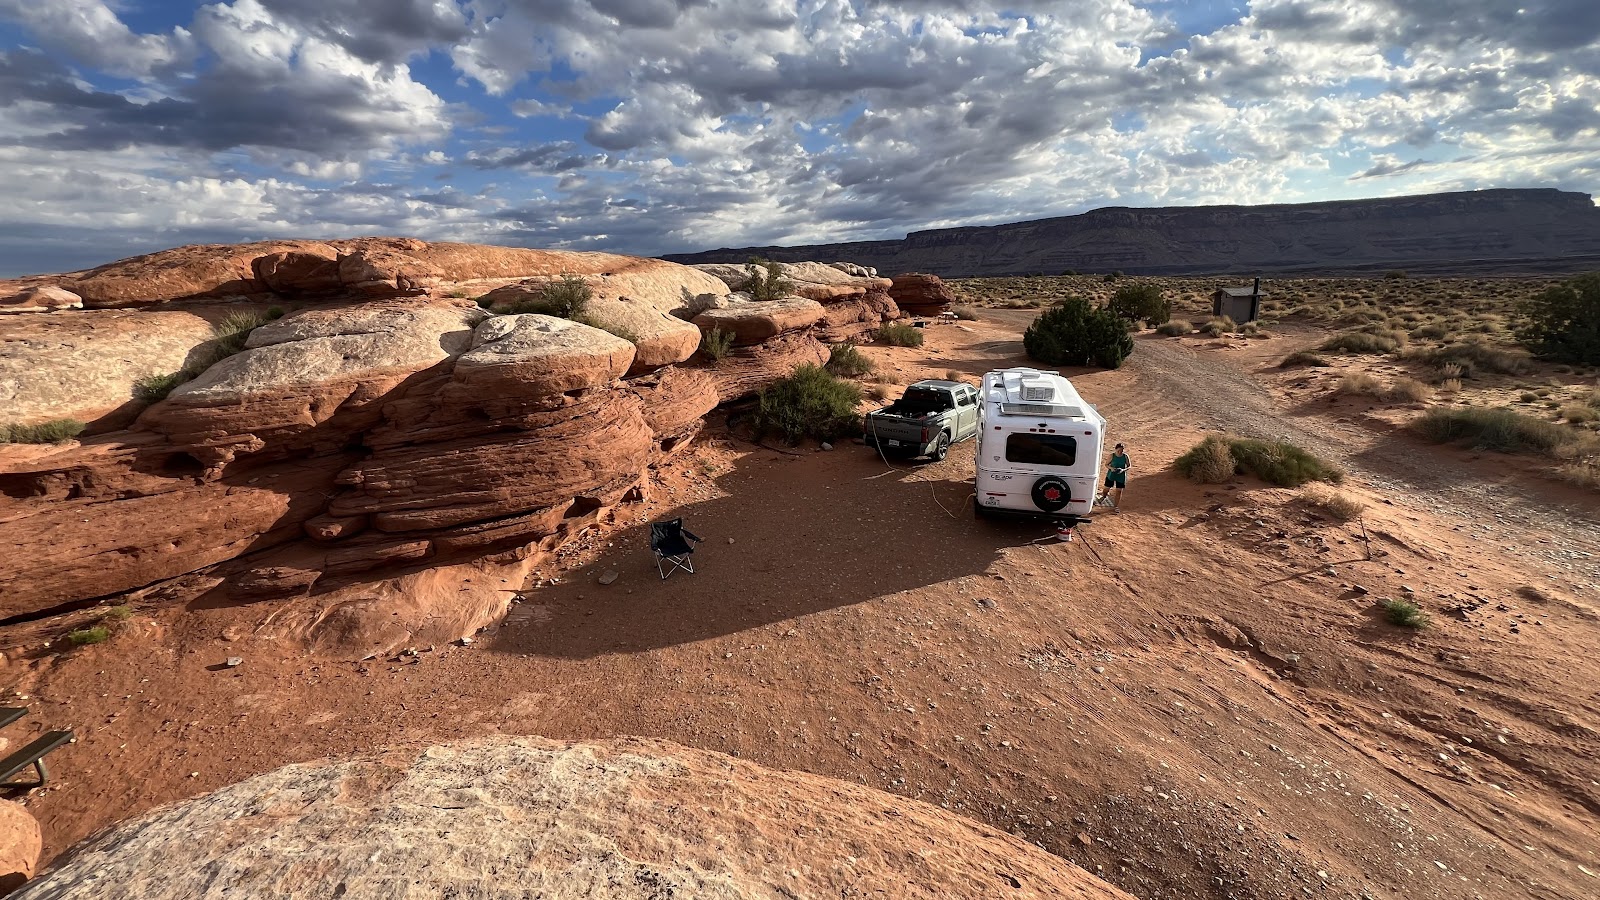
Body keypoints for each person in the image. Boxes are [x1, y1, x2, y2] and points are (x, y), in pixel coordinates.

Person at [1097, 443, 1130, 511]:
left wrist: (1123, 470)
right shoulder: (1112, 456)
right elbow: (1106, 464)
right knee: (1106, 489)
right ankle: (1104, 496)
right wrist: (1111, 468)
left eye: (1121, 450)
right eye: (1118, 450)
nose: (1120, 452)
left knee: (1119, 491)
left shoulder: (1125, 456)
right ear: (1116, 449)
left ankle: (1116, 506)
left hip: (1121, 476)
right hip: (1111, 474)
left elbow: (1129, 466)